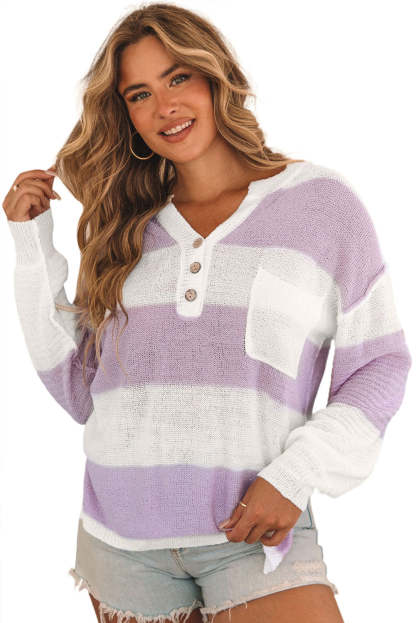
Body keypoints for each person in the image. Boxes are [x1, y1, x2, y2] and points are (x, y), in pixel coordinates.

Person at [3, 4, 412, 623]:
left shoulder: (321, 205)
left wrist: (297, 473)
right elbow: (82, 390)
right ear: (126, 114)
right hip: (122, 544)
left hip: (253, 529)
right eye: (140, 94)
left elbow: (379, 365)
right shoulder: (125, 228)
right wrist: (31, 245)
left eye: (178, 78)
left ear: (215, 77)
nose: (164, 106)